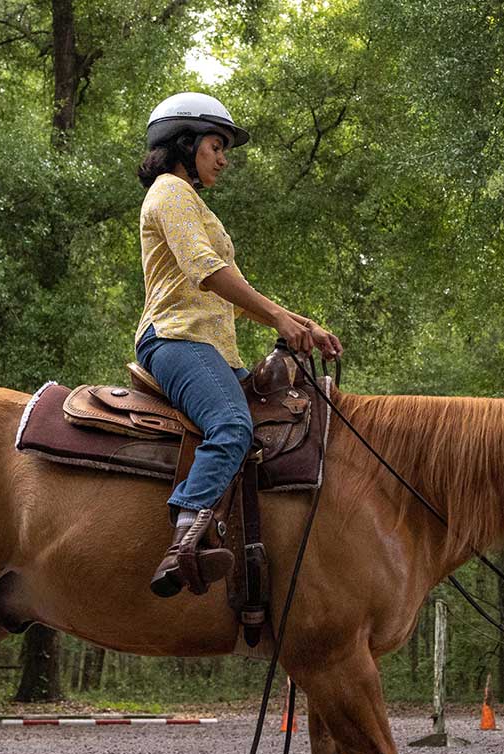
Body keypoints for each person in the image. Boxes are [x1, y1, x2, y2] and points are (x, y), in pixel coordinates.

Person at [134, 93, 341, 597]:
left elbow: (234, 289)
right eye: (215, 145)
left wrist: (299, 323)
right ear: (184, 144)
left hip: (211, 348)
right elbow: (205, 271)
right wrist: (276, 316)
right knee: (230, 425)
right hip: (176, 338)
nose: (223, 158)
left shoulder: (194, 203)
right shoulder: (170, 192)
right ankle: (184, 539)